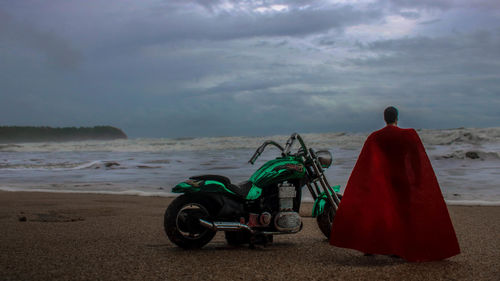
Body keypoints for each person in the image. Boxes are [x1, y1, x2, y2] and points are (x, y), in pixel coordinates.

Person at [329, 106, 460, 262]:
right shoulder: (408, 135)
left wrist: (366, 182)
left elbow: (366, 162)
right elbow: (417, 159)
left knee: (382, 214)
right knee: (402, 213)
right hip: (402, 178)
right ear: (397, 117)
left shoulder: (375, 137)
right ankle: (399, 248)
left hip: (382, 180)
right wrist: (418, 178)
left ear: (385, 118)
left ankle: (371, 246)